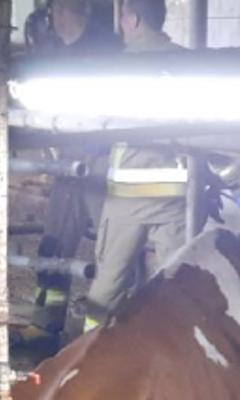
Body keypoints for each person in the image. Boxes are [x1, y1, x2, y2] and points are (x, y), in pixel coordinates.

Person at [82, 0, 189, 328]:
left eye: (123, 17)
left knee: (107, 287)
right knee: (178, 288)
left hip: (128, 196)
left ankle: (91, 352)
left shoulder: (120, 68)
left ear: (134, 19)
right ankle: (174, 360)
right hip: (174, 196)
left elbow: (97, 122)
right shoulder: (188, 62)